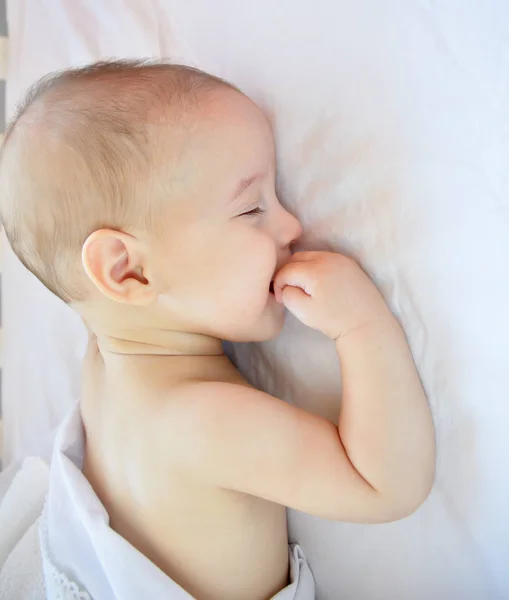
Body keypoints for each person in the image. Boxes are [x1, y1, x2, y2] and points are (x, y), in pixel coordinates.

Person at [0, 60, 435, 600]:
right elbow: (384, 487)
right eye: (252, 207)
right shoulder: (203, 422)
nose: (292, 226)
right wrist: (362, 327)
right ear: (127, 270)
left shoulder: (103, 362)